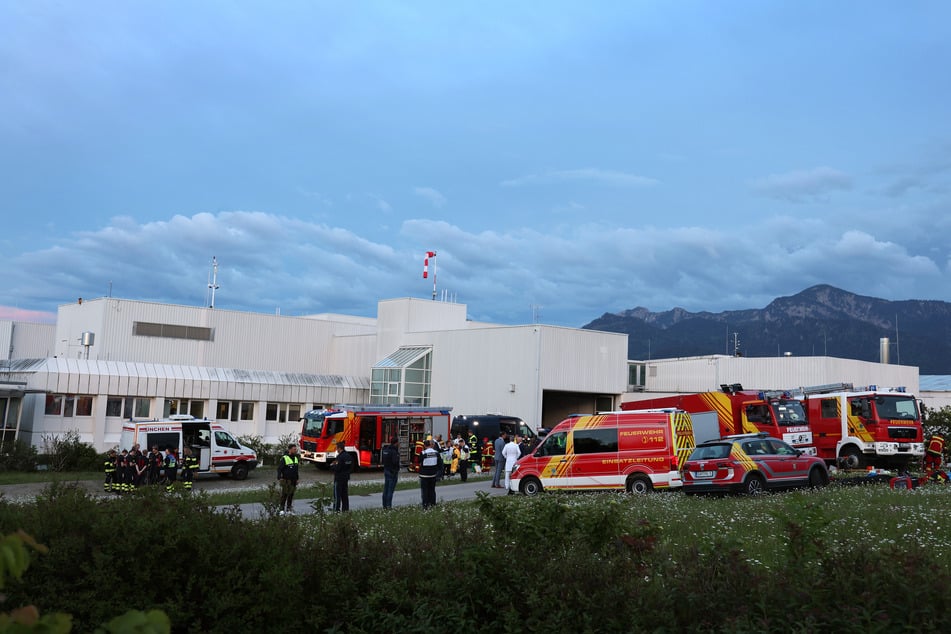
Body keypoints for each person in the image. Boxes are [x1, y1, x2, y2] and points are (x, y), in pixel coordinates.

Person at [277, 443, 301, 514]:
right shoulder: (284, 458)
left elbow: (296, 470)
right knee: (284, 494)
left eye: (296, 449)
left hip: (293, 480)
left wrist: (297, 479)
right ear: (290, 450)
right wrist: (279, 477)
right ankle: (281, 509)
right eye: (294, 449)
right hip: (286, 479)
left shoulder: (296, 458)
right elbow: (279, 469)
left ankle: (289, 508)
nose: (295, 450)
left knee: (291, 494)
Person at [331, 440, 353, 512]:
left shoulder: (339, 457)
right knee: (344, 495)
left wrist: (332, 466)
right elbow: (350, 467)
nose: (336, 450)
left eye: (337, 448)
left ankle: (336, 510)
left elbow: (337, 468)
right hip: (345, 478)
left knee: (337, 496)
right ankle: (345, 510)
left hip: (339, 478)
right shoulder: (348, 456)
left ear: (339, 448)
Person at [418, 439, 440, 508]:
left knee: (425, 491)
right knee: (432, 490)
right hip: (433, 474)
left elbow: (419, 461)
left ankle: (425, 505)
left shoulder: (423, 453)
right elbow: (439, 463)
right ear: (430, 445)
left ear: (424, 445)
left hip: (424, 475)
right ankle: (433, 504)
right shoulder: (436, 453)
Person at [381, 436, 400, 509]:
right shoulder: (394, 451)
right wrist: (396, 470)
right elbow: (395, 462)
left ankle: (384, 505)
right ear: (396, 443)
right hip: (392, 472)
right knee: (390, 490)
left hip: (386, 470)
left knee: (386, 489)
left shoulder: (386, 450)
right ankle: (388, 506)